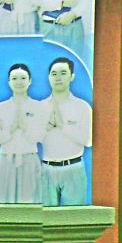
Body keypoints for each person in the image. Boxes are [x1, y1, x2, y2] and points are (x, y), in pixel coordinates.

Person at [39, 57, 92, 206]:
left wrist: (63, 126)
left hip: (74, 169)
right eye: (54, 74)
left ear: (72, 77)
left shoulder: (82, 107)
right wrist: (46, 128)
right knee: (45, 217)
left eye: (63, 73)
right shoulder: (40, 107)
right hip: (47, 169)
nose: (58, 78)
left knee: (74, 216)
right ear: (49, 77)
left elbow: (88, 140)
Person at [0, 63, 44, 203]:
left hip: (29, 159)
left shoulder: (38, 107)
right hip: (6, 160)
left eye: (23, 78)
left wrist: (25, 127)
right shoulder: (0, 108)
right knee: (2, 202)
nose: (19, 82)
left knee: (30, 203)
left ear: (30, 81)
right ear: (9, 82)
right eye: (14, 78)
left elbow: (41, 137)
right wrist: (11, 129)